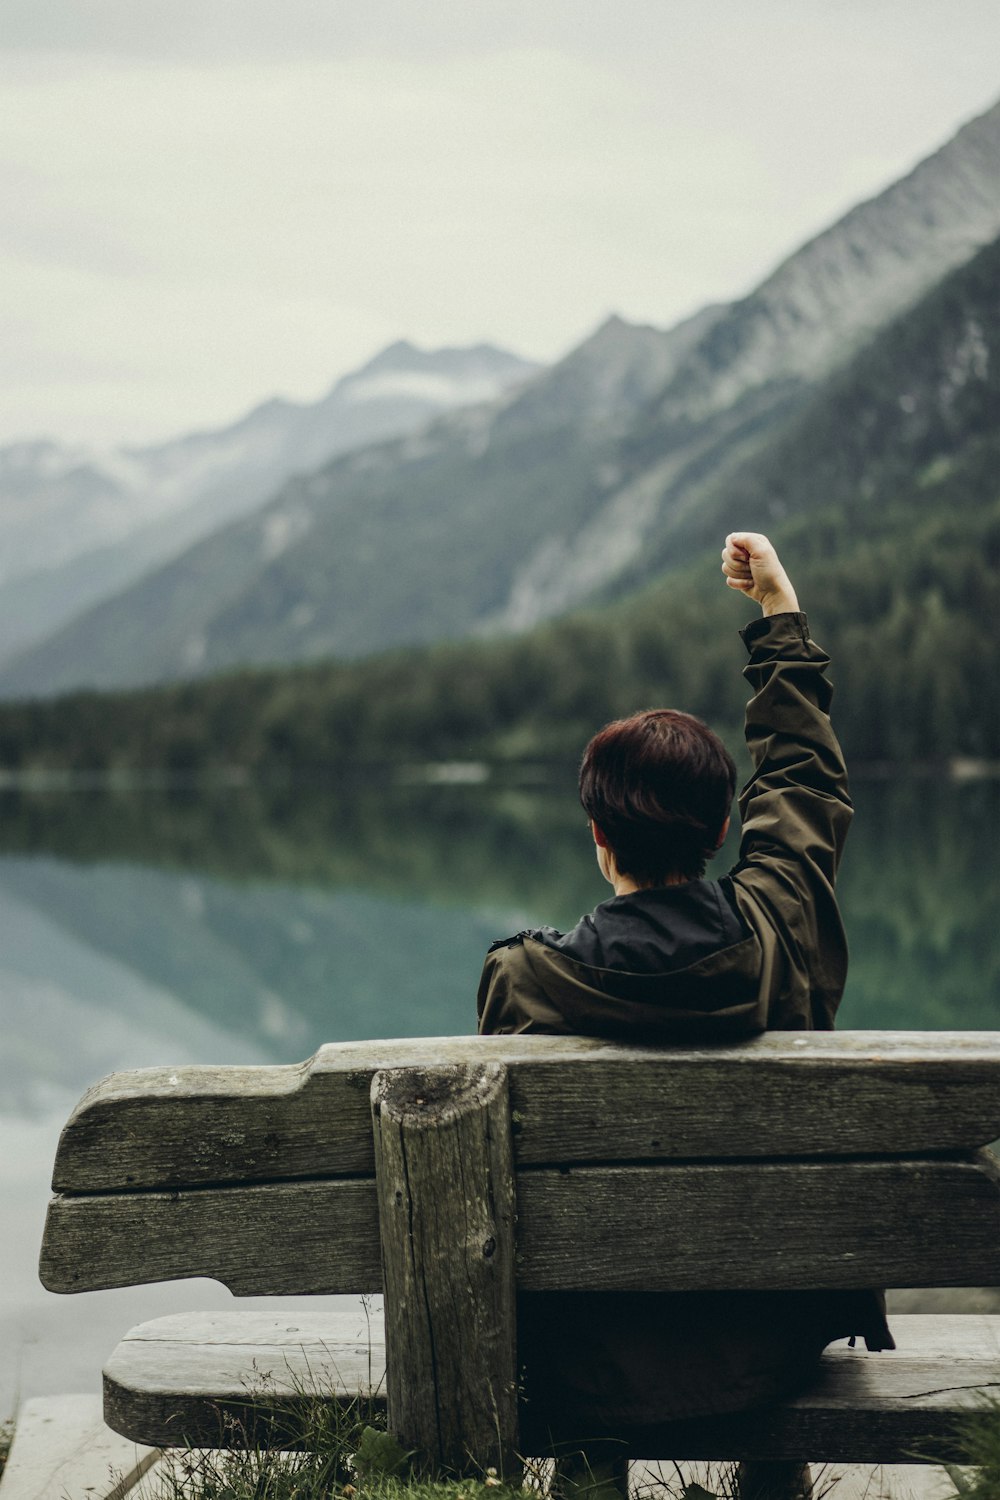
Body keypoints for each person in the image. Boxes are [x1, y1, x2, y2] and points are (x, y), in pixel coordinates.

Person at [477, 532, 893, 1495]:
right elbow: (801, 782)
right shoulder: (781, 929)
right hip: (772, 1341)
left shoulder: (523, 983)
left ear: (598, 839)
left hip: (592, 1356)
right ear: (718, 831)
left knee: (587, 1314)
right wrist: (777, 617)